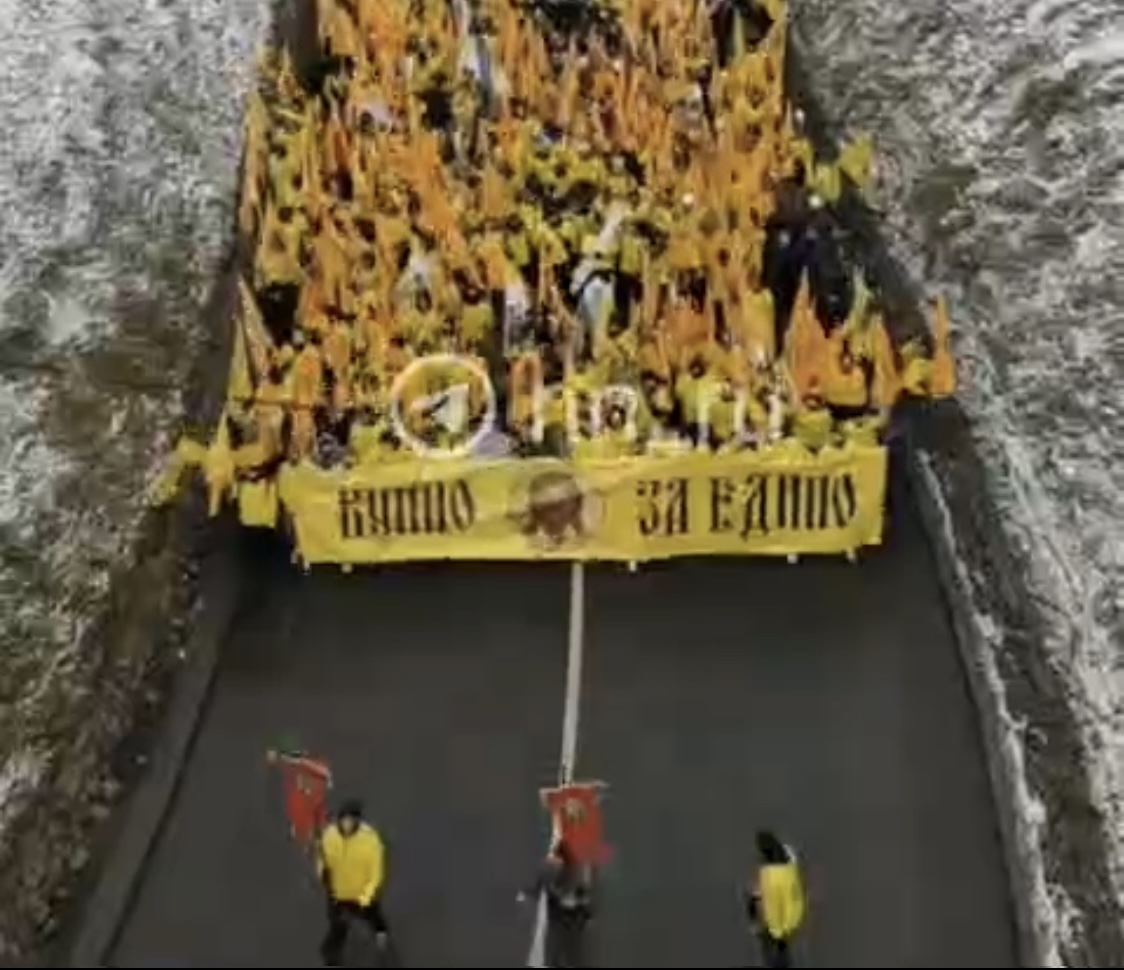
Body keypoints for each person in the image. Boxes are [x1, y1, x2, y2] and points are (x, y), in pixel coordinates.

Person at [317, 799, 390, 966]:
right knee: (338, 926)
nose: (347, 824)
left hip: (361, 893)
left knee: (373, 915)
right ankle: (332, 960)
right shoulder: (330, 835)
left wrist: (366, 896)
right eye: (344, 820)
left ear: (357, 821)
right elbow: (323, 860)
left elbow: (376, 872)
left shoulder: (371, 840)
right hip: (338, 892)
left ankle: (381, 933)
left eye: (351, 820)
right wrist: (322, 873)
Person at [520, 839, 594, 968]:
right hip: (565, 920)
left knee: (559, 950)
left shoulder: (563, 872)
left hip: (564, 920)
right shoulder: (567, 872)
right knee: (563, 951)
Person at [745, 829, 805, 968]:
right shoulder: (788, 862)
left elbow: (774, 904)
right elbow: (793, 898)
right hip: (786, 922)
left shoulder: (771, 875)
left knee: (775, 958)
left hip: (775, 928)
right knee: (780, 955)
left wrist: (776, 931)